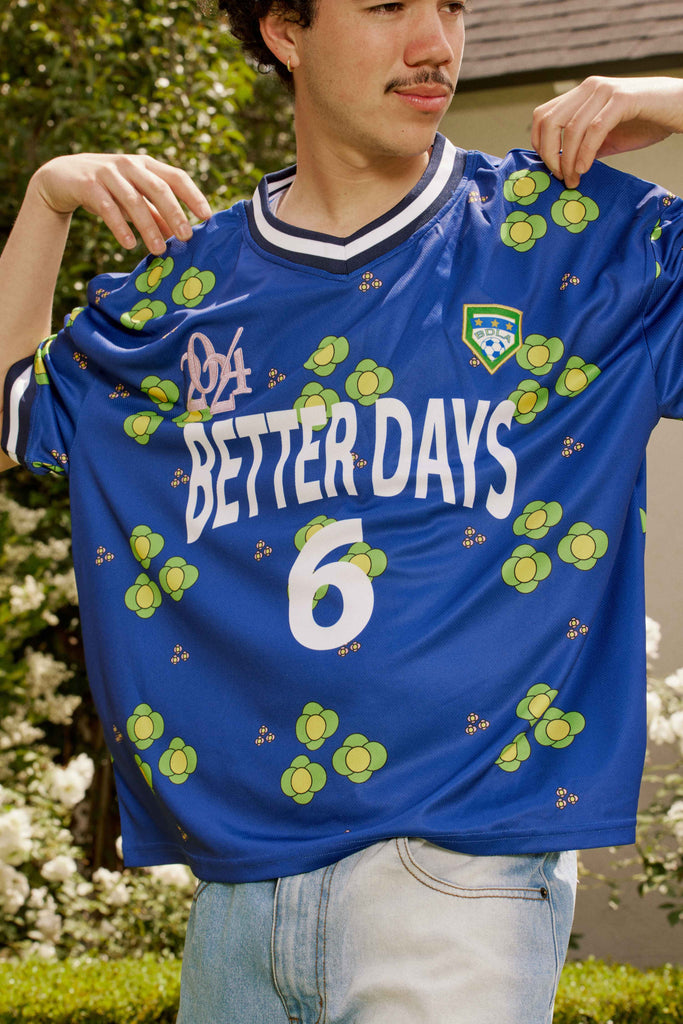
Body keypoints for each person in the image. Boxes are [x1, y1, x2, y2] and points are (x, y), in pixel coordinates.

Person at [2, 1, 683, 1021]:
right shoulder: (189, 289)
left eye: (450, 6)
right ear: (285, 30)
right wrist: (47, 199)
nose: (435, 45)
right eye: (386, 6)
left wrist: (670, 96)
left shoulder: (572, 242)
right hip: (237, 897)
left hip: (462, 883)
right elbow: (11, 416)